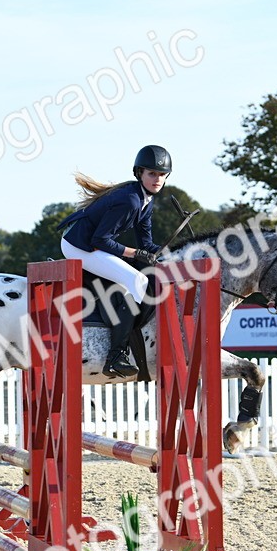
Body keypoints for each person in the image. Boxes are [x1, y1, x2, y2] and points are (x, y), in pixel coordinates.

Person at [56, 144, 171, 378]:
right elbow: (101, 240)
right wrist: (134, 253)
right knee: (137, 280)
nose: (157, 179)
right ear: (139, 173)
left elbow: (147, 244)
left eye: (161, 175)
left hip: (91, 244)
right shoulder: (129, 200)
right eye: (152, 173)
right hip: (79, 246)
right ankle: (116, 355)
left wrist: (172, 256)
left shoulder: (145, 200)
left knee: (137, 276)